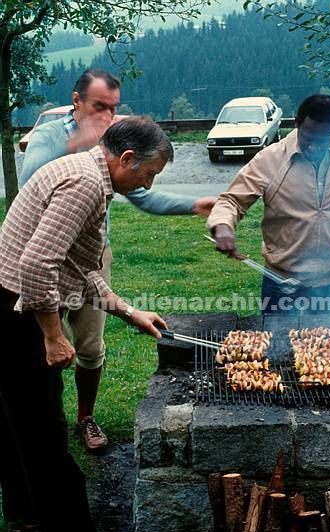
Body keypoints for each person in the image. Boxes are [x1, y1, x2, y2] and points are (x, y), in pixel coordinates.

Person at [0, 116, 170, 532]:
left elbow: (79, 266)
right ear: (128, 158)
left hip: (8, 303)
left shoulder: (84, 169)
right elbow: (38, 265)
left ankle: (24, 511)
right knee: (45, 429)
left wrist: (129, 312)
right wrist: (53, 335)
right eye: (148, 175)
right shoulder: (85, 185)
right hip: (19, 312)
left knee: (17, 420)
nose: (147, 184)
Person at [20, 68, 216, 450]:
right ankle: (43, 433)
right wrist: (86, 151)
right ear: (76, 101)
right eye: (99, 107)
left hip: (85, 257)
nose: (108, 118)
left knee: (89, 346)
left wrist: (193, 204)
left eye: (113, 109)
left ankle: (82, 419)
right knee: (40, 361)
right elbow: (37, 239)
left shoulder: (109, 165)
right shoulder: (73, 162)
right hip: (39, 265)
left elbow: (140, 189)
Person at [208, 94, 330, 315]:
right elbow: (232, 200)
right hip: (281, 282)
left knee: (327, 347)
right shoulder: (271, 159)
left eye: (322, 140)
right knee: (276, 347)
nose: (313, 146)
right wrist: (223, 225)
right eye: (308, 137)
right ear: (297, 124)